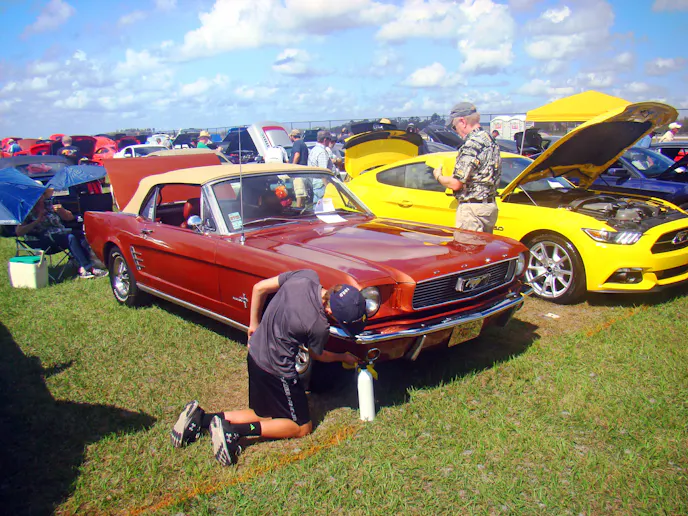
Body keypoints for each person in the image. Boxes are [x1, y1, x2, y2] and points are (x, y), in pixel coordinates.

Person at [170, 269, 367, 466]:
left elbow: (259, 288)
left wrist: (253, 325)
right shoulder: (318, 325)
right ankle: (234, 431)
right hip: (277, 370)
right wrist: (343, 357)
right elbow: (318, 354)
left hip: (255, 353)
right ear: (330, 311)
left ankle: (200, 419)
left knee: (262, 414)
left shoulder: (307, 276)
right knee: (301, 427)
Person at [432, 102, 502, 233]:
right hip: (489, 207)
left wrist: (438, 176)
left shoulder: (471, 144)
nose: (455, 131)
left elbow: (456, 183)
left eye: (454, 127)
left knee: (467, 246)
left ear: (462, 122)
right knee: (483, 246)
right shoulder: (490, 139)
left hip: (472, 210)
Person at [15, 188, 108, 279]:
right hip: (41, 239)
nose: (41, 197)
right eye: (38, 195)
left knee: (80, 234)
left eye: (42, 194)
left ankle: (89, 264)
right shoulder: (26, 210)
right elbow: (19, 232)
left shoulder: (49, 205)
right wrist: (37, 221)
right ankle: (87, 268)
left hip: (59, 233)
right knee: (70, 238)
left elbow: (69, 217)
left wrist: (62, 211)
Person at [307, 130, 336, 201]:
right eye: (329, 139)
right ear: (325, 140)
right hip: (322, 185)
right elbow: (323, 172)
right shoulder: (322, 152)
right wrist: (328, 188)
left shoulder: (313, 150)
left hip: (316, 183)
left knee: (317, 205)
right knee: (325, 205)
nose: (330, 142)